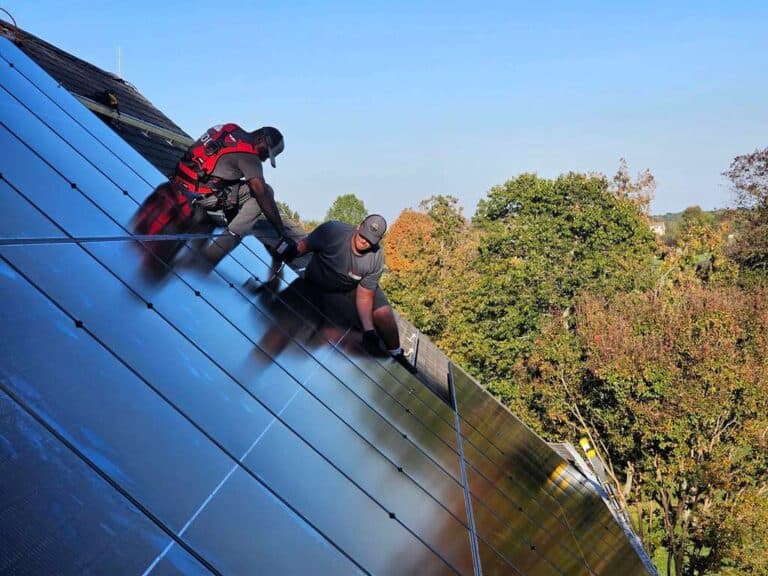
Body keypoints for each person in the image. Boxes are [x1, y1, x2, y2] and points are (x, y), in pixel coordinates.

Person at [135, 123, 297, 269]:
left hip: (178, 182)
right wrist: (282, 233)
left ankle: (222, 225)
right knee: (265, 192)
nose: (264, 158)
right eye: (266, 153)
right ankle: (210, 257)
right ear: (260, 138)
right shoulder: (249, 156)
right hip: (200, 196)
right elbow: (261, 193)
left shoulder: (229, 129)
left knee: (240, 189)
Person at [291, 214, 416, 373]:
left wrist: (369, 330)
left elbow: (365, 294)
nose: (364, 241)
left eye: (370, 240)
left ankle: (396, 354)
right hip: (321, 284)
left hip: (354, 287)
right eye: (363, 235)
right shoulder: (332, 231)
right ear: (358, 226)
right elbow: (304, 245)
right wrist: (288, 251)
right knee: (340, 331)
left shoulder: (376, 258)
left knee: (383, 314)